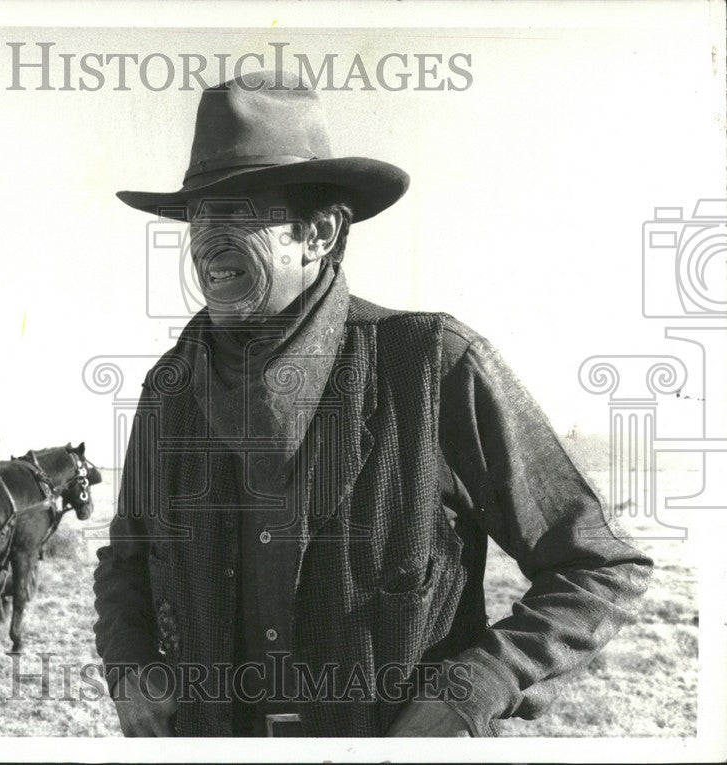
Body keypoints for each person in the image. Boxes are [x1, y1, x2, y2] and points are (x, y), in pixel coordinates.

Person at [92, 70, 652, 737]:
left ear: (321, 231)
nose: (208, 240)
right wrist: (129, 666)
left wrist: (475, 685)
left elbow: (596, 565)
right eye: (201, 216)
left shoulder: (432, 365)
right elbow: (128, 557)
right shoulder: (170, 390)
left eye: (240, 212)